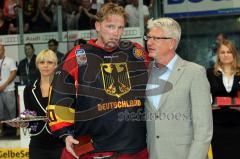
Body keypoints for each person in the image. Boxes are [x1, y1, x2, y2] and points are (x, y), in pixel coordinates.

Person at [47, 3, 148, 159]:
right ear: (98, 26)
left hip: (133, 148)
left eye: (120, 28)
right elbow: (59, 98)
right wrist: (64, 134)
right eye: (111, 26)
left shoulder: (135, 52)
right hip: (93, 149)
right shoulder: (78, 55)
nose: (116, 33)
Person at [144, 17, 213, 159]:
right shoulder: (145, 71)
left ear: (171, 43)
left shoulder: (194, 72)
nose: (149, 42)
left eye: (156, 38)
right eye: (148, 37)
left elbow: (203, 130)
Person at [9, 49, 65, 159]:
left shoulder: (64, 87)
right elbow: (31, 115)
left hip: (61, 141)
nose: (45, 66)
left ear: (56, 65)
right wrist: (23, 122)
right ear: (37, 65)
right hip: (37, 143)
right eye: (42, 62)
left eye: (50, 62)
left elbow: (72, 113)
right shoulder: (29, 89)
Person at [206, 40, 240, 159]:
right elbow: (206, 98)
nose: (226, 55)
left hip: (238, 124)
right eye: (222, 52)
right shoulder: (209, 73)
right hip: (217, 124)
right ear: (218, 55)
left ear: (234, 54)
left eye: (229, 52)